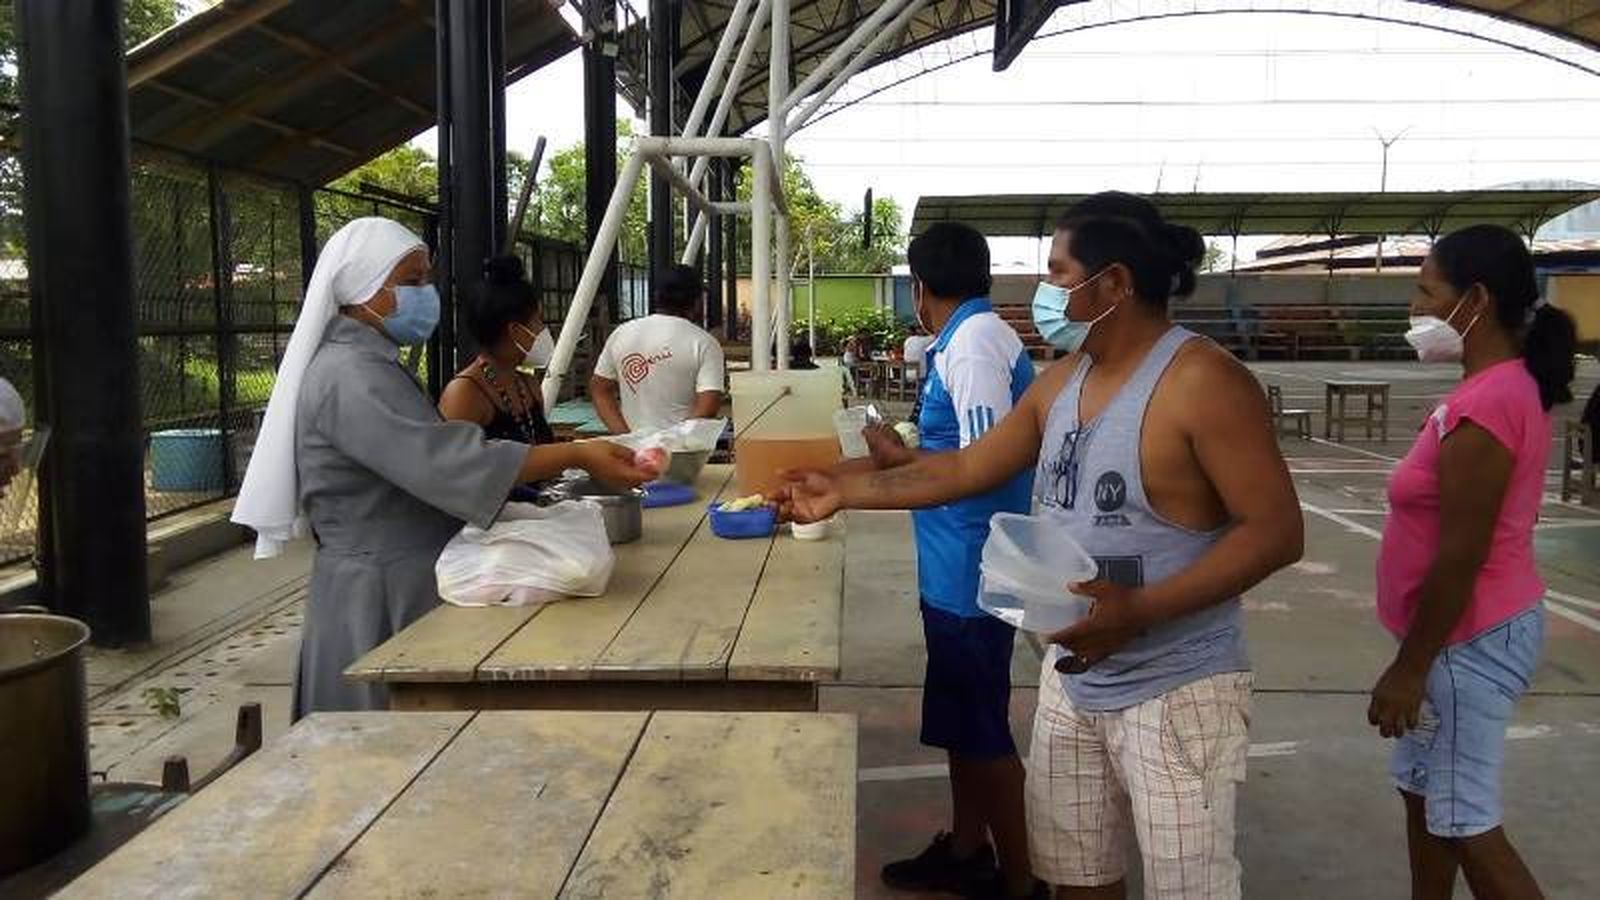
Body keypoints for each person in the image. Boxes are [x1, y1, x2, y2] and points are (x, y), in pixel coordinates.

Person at [781, 192, 1304, 900]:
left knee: (1189, 888)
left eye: (1058, 273)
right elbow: (966, 466)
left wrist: (1143, 608)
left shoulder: (1203, 383)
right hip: (1074, 674)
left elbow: (1276, 531)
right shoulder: (1063, 381)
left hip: (1178, 687)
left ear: (1114, 284)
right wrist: (844, 490)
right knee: (1076, 877)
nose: (1042, 292)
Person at [232, 218, 648, 718]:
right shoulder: (351, 376)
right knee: (374, 741)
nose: (425, 293)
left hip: (402, 569)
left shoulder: (373, 363)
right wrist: (579, 453)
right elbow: (449, 461)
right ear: (364, 290)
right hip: (377, 591)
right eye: (410, 282)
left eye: (427, 279)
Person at [1368, 224, 1577, 900]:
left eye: (1426, 291)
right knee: (1424, 793)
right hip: (1456, 639)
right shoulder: (1491, 390)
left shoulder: (1489, 402)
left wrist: (1411, 666)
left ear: (1475, 299)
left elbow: (1462, 553)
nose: (1414, 309)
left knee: (1465, 820)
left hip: (1467, 641)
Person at [853, 222, 1042, 900]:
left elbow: (983, 464)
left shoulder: (972, 348)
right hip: (953, 564)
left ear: (921, 288)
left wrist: (896, 464)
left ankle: (1020, 880)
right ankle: (967, 847)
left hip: (975, 571)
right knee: (965, 720)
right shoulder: (966, 339)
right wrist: (905, 454)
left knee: (985, 729)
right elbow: (966, 449)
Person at [439, 255, 556, 500]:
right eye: (538, 321)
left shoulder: (528, 384)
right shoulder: (464, 394)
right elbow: (450, 476)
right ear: (515, 331)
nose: (543, 331)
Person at [590, 263, 725, 435]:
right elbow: (709, 403)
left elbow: (599, 389)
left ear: (656, 296)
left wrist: (626, 437)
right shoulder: (704, 343)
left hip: (632, 455)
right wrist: (673, 441)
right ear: (697, 301)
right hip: (682, 453)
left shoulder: (622, 333)